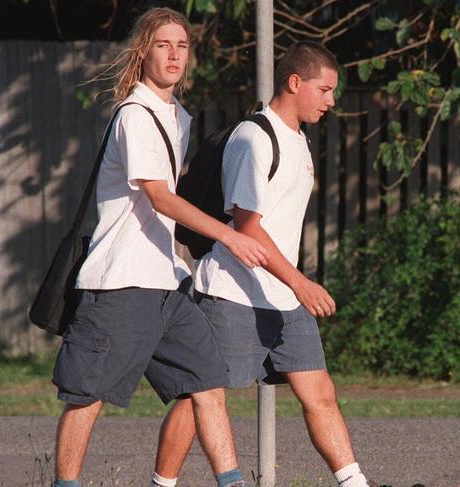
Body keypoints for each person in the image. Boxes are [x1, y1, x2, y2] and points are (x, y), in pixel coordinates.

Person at [50, 8, 269, 487]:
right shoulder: (136, 114)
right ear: (144, 50)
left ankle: (231, 482)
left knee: (207, 386)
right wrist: (227, 233)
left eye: (182, 45)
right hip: (122, 281)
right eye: (163, 45)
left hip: (169, 282)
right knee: (88, 395)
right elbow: (158, 195)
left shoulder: (177, 116)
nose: (174, 54)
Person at [153, 42, 373, 487]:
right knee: (201, 398)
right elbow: (247, 226)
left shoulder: (297, 140)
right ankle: (162, 484)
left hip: (281, 299)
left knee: (321, 394)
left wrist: (292, 289)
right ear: (295, 83)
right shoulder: (254, 138)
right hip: (232, 295)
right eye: (325, 90)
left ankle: (355, 483)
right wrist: (301, 284)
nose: (331, 101)